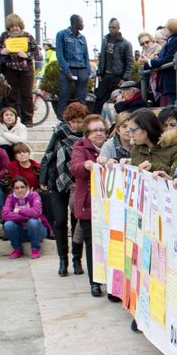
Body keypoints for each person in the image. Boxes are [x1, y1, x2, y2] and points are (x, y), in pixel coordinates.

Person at [40, 101, 87, 276]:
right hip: (58, 179)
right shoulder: (59, 132)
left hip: (78, 181)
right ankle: (62, 259)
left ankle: (76, 259)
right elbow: (48, 153)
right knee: (59, 221)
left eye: (79, 121)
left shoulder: (85, 137)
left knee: (77, 221)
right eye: (72, 121)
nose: (75, 125)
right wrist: (44, 176)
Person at [70, 112, 107, 295]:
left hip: (109, 204)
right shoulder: (80, 148)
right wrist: (87, 165)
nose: (98, 134)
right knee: (92, 244)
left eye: (101, 130)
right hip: (88, 204)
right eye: (94, 131)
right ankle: (95, 282)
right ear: (87, 133)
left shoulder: (110, 147)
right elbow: (75, 167)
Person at [0, 13, 40, 125]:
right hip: (10, 69)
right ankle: (13, 119)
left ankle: (27, 120)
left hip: (26, 70)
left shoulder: (28, 36)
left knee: (26, 95)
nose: (15, 28)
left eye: (16, 26)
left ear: (20, 25)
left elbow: (36, 52)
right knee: (11, 95)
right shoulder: (4, 36)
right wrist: (1, 51)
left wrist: (27, 55)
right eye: (12, 26)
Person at [126, 107, 177, 174]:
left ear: (146, 127)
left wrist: (153, 167)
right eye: (164, 125)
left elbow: (176, 175)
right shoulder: (136, 149)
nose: (131, 135)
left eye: (133, 130)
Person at [54, 15, 91, 117]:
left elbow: (86, 55)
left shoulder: (82, 38)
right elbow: (59, 54)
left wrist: (87, 71)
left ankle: (82, 119)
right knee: (64, 95)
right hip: (68, 69)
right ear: (75, 23)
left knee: (82, 98)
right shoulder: (61, 34)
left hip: (82, 69)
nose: (83, 25)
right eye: (81, 22)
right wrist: (67, 70)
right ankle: (61, 119)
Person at [1, 178, 45, 259]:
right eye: (16, 188)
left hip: (37, 231)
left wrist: (19, 210)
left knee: (32, 222)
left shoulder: (34, 195)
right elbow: (5, 214)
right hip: (21, 232)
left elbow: (36, 212)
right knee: (8, 224)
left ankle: (35, 248)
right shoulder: (10, 197)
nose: (20, 190)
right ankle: (17, 249)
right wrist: (25, 217)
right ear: (13, 189)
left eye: (22, 187)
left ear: (27, 187)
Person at [95, 18, 133, 113]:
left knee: (119, 100)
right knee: (99, 100)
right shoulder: (105, 40)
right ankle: (94, 121)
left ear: (118, 28)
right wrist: (99, 73)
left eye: (113, 27)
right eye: (109, 27)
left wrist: (124, 78)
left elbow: (129, 63)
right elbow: (102, 57)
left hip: (118, 77)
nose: (111, 29)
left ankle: (120, 120)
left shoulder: (126, 44)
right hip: (105, 76)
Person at [145, 18, 177, 107]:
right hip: (170, 81)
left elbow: (168, 59)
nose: (164, 30)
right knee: (175, 107)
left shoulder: (175, 41)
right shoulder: (171, 41)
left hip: (173, 81)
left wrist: (149, 61)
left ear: (171, 29)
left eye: (166, 28)